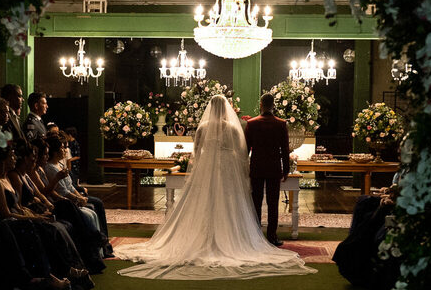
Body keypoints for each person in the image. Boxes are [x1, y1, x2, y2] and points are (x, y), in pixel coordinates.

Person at [115, 95, 315, 280]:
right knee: (235, 201)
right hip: (236, 169)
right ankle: (257, 236)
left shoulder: (208, 127)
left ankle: (213, 234)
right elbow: (242, 151)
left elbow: (198, 151)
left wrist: (204, 164)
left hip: (214, 168)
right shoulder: (236, 128)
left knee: (210, 200)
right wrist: (244, 168)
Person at [245, 92, 291, 246]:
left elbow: (246, 149)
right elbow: (285, 149)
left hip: (257, 167)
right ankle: (272, 236)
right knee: (273, 203)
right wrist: (286, 170)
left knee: (256, 202)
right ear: (273, 106)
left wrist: (244, 167)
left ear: (261, 105)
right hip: (273, 168)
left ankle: (256, 235)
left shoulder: (252, 123)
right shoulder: (281, 124)